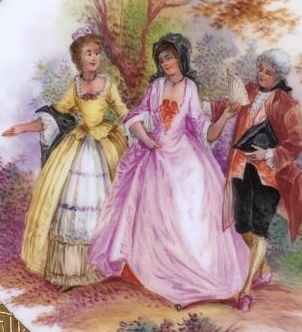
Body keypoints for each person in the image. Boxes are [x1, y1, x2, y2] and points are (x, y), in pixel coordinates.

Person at [89, 34, 249, 307]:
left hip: (186, 157)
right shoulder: (155, 87)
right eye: (162, 58)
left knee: (192, 207)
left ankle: (193, 276)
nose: (166, 63)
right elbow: (136, 116)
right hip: (156, 154)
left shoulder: (190, 89)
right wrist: (148, 140)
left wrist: (225, 116)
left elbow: (203, 130)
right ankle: (152, 271)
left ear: (181, 58)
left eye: (170, 57)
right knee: (152, 208)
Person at [2, 28, 128, 287]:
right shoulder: (74, 87)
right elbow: (55, 116)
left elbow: (124, 113)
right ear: (78, 59)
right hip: (79, 145)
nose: (93, 58)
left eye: (97, 53)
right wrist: (23, 127)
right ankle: (72, 272)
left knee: (105, 201)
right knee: (71, 200)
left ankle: (102, 267)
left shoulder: (109, 85)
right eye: (88, 53)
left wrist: (140, 131)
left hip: (104, 144)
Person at [208, 48, 302, 311]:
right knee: (242, 227)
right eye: (261, 70)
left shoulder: (288, 105)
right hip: (241, 168)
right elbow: (226, 105)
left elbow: (296, 142)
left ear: (278, 76)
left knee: (259, 228)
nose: (262, 75)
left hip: (269, 176)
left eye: (268, 72)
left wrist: (268, 153)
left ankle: (245, 291)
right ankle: (263, 264)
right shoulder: (249, 91)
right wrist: (218, 108)